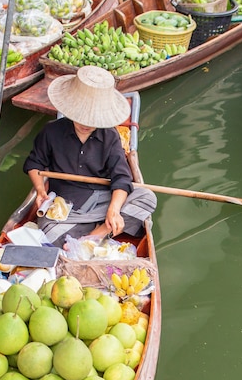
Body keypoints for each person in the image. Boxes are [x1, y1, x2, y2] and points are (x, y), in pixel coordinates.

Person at [23, 65, 157, 248]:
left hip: (102, 200)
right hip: (66, 205)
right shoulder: (51, 131)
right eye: (81, 117)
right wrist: (40, 190)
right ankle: (98, 231)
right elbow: (34, 163)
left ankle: (96, 234)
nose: (86, 124)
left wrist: (114, 210)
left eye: (92, 119)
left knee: (147, 197)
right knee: (49, 234)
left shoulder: (110, 136)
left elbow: (122, 178)